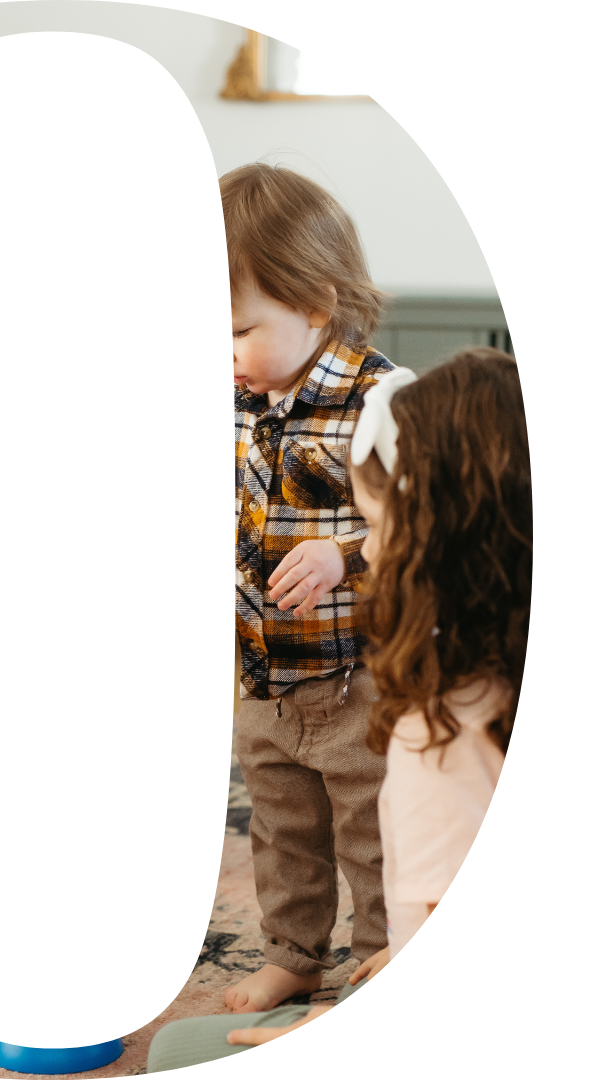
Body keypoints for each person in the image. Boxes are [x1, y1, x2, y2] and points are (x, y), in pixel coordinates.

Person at [144, 347, 533, 1072]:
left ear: (432, 536)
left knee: (178, 1055)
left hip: (487, 1029)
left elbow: (473, 967)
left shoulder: (440, 721)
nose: (370, 550)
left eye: (377, 528)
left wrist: (409, 969)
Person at [224, 161, 396, 1014]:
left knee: (370, 827)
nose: (225, 356)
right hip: (263, 671)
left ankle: (384, 957)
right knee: (281, 825)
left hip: (358, 676)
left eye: (239, 332)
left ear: (317, 303)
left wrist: (344, 557)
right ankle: (294, 952)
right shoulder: (235, 399)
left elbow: (424, 523)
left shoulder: (379, 399)